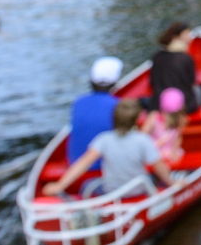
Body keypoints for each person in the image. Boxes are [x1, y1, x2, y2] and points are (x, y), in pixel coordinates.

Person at [45, 100, 179, 197]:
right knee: (156, 178)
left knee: (87, 185)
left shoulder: (103, 139)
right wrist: (171, 183)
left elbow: (83, 164)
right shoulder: (143, 140)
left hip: (112, 190)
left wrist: (59, 186)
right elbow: (159, 167)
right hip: (137, 190)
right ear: (137, 119)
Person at [68, 57, 123, 174]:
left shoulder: (78, 102)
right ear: (115, 81)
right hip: (102, 166)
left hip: (74, 161)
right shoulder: (118, 105)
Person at [145, 22, 200, 113]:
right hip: (185, 105)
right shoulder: (186, 58)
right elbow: (192, 81)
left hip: (159, 104)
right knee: (199, 91)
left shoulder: (157, 56)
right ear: (176, 37)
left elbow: (152, 82)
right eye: (186, 35)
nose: (190, 38)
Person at [142, 87, 186, 167]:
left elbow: (178, 137)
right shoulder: (154, 117)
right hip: (154, 152)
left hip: (170, 152)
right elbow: (142, 136)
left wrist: (174, 151)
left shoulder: (180, 120)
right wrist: (156, 144)